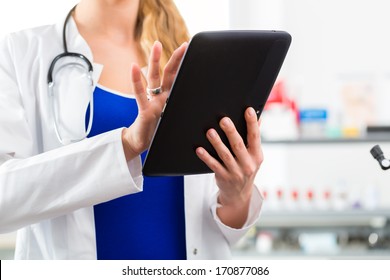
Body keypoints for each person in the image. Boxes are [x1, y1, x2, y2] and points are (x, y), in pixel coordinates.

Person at [0, 0, 264, 260]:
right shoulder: (18, 53)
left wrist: (237, 194)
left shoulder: (193, 56)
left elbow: (222, 230)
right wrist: (127, 145)